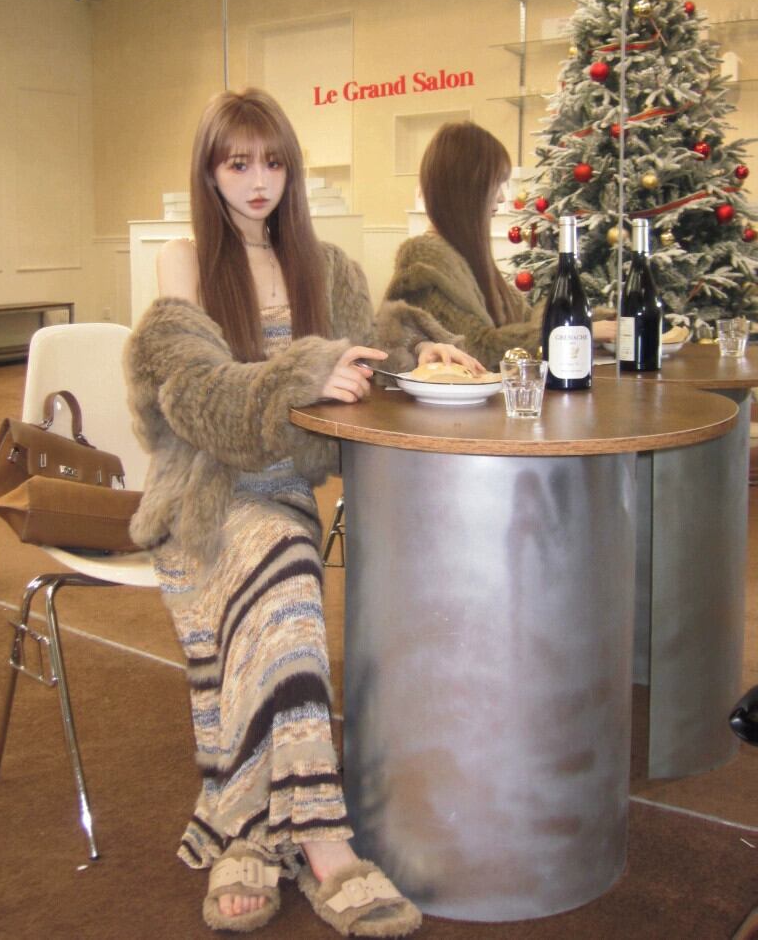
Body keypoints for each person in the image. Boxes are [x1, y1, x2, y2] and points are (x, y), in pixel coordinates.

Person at [124, 88, 479, 937]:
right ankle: (324, 842)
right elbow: (197, 397)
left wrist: (415, 350)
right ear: (210, 172)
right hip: (205, 495)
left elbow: (367, 355)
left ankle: (248, 833)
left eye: (274, 163)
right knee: (287, 577)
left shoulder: (329, 266)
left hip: (283, 495)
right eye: (238, 163)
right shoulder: (185, 262)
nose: (259, 182)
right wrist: (303, 374)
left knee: (286, 561)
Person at [383, 121, 617, 370]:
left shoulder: (462, 255)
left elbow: (526, 318)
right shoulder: (425, 262)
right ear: (468, 188)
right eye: (496, 184)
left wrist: (597, 318)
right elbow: (475, 348)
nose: (503, 197)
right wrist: (575, 331)